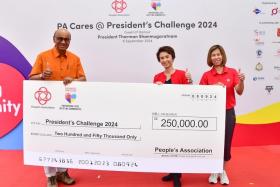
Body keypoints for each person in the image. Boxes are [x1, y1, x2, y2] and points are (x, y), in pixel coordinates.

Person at [29, 28, 86, 187]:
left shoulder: (75, 58)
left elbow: (83, 78)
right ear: (54, 39)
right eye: (60, 38)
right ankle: (51, 176)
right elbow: (31, 79)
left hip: (67, 107)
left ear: (69, 41)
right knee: (47, 141)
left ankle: (63, 172)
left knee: (64, 139)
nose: (63, 42)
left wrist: (73, 80)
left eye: (66, 39)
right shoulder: (43, 56)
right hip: (46, 108)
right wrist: (41, 76)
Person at [199, 44, 245, 185]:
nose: (216, 57)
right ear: (210, 58)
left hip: (228, 112)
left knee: (226, 143)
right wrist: (213, 87)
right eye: (213, 55)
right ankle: (214, 170)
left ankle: (222, 170)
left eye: (218, 54)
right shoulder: (206, 75)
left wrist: (242, 81)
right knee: (213, 142)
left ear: (222, 55)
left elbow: (239, 91)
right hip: (211, 114)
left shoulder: (232, 72)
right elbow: (199, 94)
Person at [153, 46, 192, 187]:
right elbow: (154, 99)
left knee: (177, 146)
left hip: (179, 116)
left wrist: (190, 81)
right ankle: (172, 172)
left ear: (172, 57)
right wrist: (156, 88)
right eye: (162, 58)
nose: (165, 60)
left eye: (167, 57)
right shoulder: (157, 77)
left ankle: (177, 176)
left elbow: (189, 95)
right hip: (164, 117)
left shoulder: (182, 74)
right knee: (167, 146)